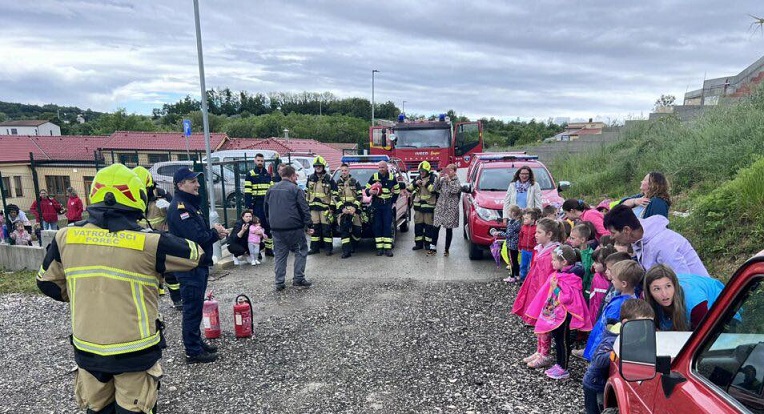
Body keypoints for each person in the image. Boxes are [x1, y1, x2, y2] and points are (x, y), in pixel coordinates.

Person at [36, 163, 202, 413]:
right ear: (138, 197)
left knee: (97, 408)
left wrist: (88, 292)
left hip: (87, 348)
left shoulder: (66, 237)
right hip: (134, 350)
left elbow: (46, 282)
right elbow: (193, 254)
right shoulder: (148, 243)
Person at [167, 167, 228, 364]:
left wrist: (212, 231)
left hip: (197, 264)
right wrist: (215, 233)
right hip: (188, 266)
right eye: (193, 181)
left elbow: (200, 231)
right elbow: (196, 237)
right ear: (180, 185)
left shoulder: (191, 205)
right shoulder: (180, 208)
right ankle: (193, 351)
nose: (198, 185)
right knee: (192, 309)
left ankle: (196, 342)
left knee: (196, 306)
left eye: (196, 181)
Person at [525, 245, 592, 378]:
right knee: (558, 338)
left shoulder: (569, 278)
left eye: (554, 260)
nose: (552, 262)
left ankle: (563, 368)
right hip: (556, 313)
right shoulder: (562, 274)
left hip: (563, 315)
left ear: (564, 262)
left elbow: (567, 298)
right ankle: (559, 364)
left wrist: (555, 288)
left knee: (563, 341)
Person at [583, 299, 655, 414]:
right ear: (626, 322)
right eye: (643, 324)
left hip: (608, 379)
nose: (646, 328)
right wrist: (619, 352)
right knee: (595, 410)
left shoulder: (635, 333)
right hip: (596, 384)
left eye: (649, 324)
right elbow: (598, 359)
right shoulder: (612, 338)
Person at [604, 204, 709, 276]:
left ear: (626, 230)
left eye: (613, 233)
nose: (611, 237)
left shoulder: (662, 245)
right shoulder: (639, 239)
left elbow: (683, 281)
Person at [264, 165, 313, 291]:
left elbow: (266, 209)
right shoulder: (296, 189)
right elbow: (304, 209)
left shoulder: (271, 189)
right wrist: (308, 225)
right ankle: (298, 278)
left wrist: (271, 222)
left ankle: (279, 282)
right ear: (292, 176)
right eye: (295, 176)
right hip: (294, 228)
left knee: (280, 255)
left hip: (276, 228)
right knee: (301, 251)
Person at [583, 260, 643, 361]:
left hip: (602, 350)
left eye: (614, 280)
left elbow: (607, 331)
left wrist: (594, 352)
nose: (611, 282)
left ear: (624, 283)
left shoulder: (619, 305)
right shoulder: (632, 299)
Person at [512, 217, 566, 325]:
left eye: (539, 232)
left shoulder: (554, 251)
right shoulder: (540, 248)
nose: (535, 234)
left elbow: (551, 270)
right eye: (536, 231)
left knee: (543, 298)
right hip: (536, 279)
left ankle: (540, 319)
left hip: (545, 282)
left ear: (549, 234)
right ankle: (533, 317)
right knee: (533, 297)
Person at [644, 264, 725, 331]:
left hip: (723, 306)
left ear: (675, 285)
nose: (664, 294)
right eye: (657, 289)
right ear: (649, 292)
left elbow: (703, 337)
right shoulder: (646, 301)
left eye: (668, 286)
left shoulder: (696, 304)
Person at [133, 166, 173, 298]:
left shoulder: (162, 194)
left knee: (167, 269)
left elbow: (174, 212)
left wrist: (168, 208)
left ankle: (176, 297)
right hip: (139, 238)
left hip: (159, 236)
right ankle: (154, 289)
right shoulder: (131, 196)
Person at [365, 160, 401, 257]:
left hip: (387, 206)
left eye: (383, 167)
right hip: (376, 205)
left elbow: (397, 191)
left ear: (386, 168)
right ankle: (379, 249)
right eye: (379, 167)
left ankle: (388, 249)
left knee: (387, 226)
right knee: (377, 226)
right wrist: (370, 192)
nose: (381, 169)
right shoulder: (374, 176)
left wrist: (392, 201)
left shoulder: (392, 177)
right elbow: (366, 189)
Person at [306, 155, 338, 256]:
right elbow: (307, 193)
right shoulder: (310, 178)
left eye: (319, 166)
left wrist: (332, 207)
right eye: (316, 166)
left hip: (325, 208)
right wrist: (306, 206)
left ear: (323, 167)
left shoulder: (329, 179)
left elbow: (334, 194)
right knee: (315, 229)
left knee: (326, 229)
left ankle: (328, 249)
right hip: (313, 209)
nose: (318, 168)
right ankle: (314, 248)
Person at [244, 153, 274, 256]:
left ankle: (269, 249)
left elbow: (271, 190)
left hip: (267, 205)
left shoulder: (267, 175)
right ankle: (258, 250)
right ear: (255, 161)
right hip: (256, 205)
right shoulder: (250, 174)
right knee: (258, 227)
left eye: (262, 161)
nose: (260, 162)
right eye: (258, 160)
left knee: (269, 226)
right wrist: (249, 207)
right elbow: (247, 192)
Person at [408, 161, 438, 254]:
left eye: (423, 171)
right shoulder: (417, 178)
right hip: (418, 207)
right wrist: (415, 184)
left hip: (429, 206)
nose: (421, 173)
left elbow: (434, 190)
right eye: (420, 171)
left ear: (428, 171)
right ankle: (418, 244)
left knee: (429, 226)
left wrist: (426, 183)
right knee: (418, 226)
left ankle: (428, 244)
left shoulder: (433, 178)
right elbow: (409, 189)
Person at [334, 163, 363, 259]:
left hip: (354, 209)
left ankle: (354, 245)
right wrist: (342, 208)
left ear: (349, 171)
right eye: (342, 171)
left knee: (357, 230)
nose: (344, 172)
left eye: (345, 170)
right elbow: (335, 197)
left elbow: (360, 196)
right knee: (344, 231)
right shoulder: (337, 183)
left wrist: (355, 207)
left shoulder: (355, 182)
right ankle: (346, 251)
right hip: (343, 210)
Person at [432, 163, 461, 257]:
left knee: (449, 229)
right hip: (441, 206)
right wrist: (438, 177)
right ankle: (433, 247)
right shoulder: (443, 179)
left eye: (451, 170)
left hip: (450, 208)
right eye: (447, 170)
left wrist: (449, 181)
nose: (448, 172)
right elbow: (434, 189)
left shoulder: (456, 180)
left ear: (455, 172)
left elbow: (455, 190)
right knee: (436, 226)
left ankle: (446, 249)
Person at [490, 204, 522, 281]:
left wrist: (499, 233)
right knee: (515, 261)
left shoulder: (512, 223)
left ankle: (511, 277)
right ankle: (517, 275)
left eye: (509, 211)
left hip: (511, 245)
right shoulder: (519, 222)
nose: (507, 213)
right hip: (516, 245)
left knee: (511, 261)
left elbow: (508, 235)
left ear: (513, 213)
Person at [568, 223, 595, 296]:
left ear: (583, 239)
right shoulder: (570, 252)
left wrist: (586, 294)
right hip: (570, 291)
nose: (570, 240)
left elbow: (591, 278)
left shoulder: (592, 256)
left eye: (572, 238)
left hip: (583, 293)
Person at [517, 209, 539, 281]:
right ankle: (522, 279)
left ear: (533, 220)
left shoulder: (537, 228)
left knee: (531, 266)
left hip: (533, 250)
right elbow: (520, 237)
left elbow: (538, 239)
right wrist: (519, 246)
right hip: (524, 250)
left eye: (526, 218)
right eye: (524, 218)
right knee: (523, 265)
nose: (524, 220)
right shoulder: (523, 227)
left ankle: (531, 280)